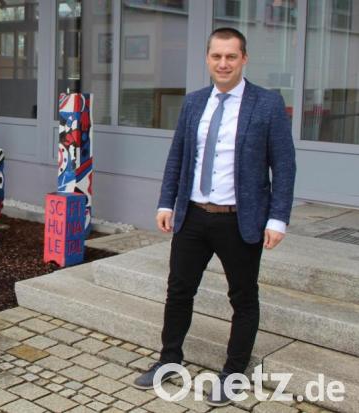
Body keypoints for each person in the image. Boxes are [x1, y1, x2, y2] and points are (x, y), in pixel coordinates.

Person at [132, 27, 295, 407]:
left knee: (243, 297)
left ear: (244, 59)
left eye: (231, 56)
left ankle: (234, 373)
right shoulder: (194, 103)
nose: (223, 63)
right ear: (207, 59)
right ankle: (169, 360)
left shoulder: (267, 103)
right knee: (179, 291)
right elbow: (177, 156)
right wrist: (166, 203)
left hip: (240, 220)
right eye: (217, 56)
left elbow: (284, 166)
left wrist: (278, 219)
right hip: (192, 216)